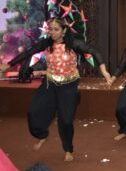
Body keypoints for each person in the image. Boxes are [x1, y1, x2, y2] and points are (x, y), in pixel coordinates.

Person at [0, 18, 111, 162]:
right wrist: (8, 65)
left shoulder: (73, 44)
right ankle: (42, 134)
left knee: (65, 121)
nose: (52, 32)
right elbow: (29, 52)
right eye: (50, 29)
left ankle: (68, 149)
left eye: (56, 29)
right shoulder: (46, 43)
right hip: (50, 83)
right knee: (33, 111)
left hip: (69, 84)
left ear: (64, 30)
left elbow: (93, 51)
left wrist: (104, 71)